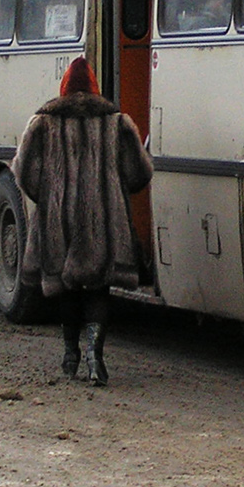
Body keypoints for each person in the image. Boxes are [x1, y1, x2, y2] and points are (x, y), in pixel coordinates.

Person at [14, 56, 151, 385]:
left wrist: (49, 198)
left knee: (66, 288)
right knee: (98, 287)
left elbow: (23, 173)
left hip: (57, 221)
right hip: (103, 221)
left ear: (63, 89)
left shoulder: (43, 123)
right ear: (95, 88)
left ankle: (69, 353)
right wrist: (114, 190)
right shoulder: (117, 122)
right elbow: (139, 173)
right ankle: (95, 356)